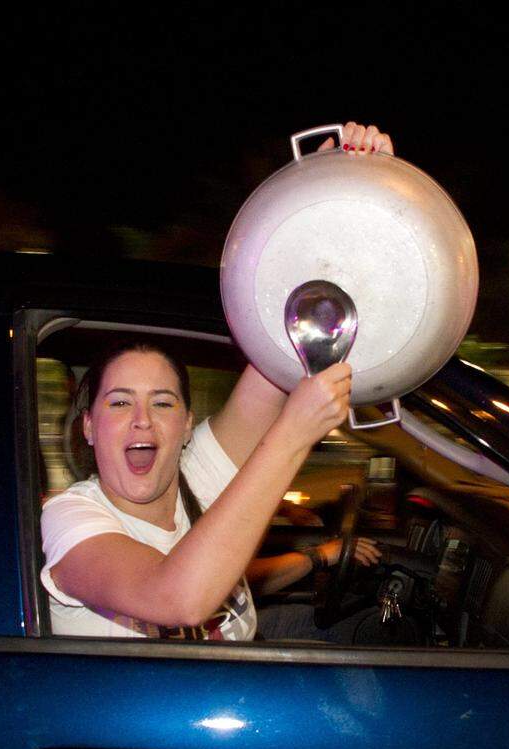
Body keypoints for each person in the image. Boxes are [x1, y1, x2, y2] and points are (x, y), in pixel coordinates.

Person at [40, 122, 391, 642]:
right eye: (118, 403)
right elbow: (176, 599)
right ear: (88, 426)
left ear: (186, 424)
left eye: (162, 402)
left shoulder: (192, 478)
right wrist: (294, 433)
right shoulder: (71, 518)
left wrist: (334, 193)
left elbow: (283, 335)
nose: (142, 418)